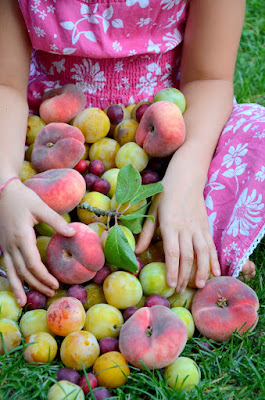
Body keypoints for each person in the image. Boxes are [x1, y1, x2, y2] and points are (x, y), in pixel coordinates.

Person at [0, 0, 262, 307]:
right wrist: (7, 185)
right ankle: (179, 252)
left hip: (170, 142)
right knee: (20, 202)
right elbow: (6, 84)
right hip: (47, 141)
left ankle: (183, 235)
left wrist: (186, 176)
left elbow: (209, 78)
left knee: (258, 133)